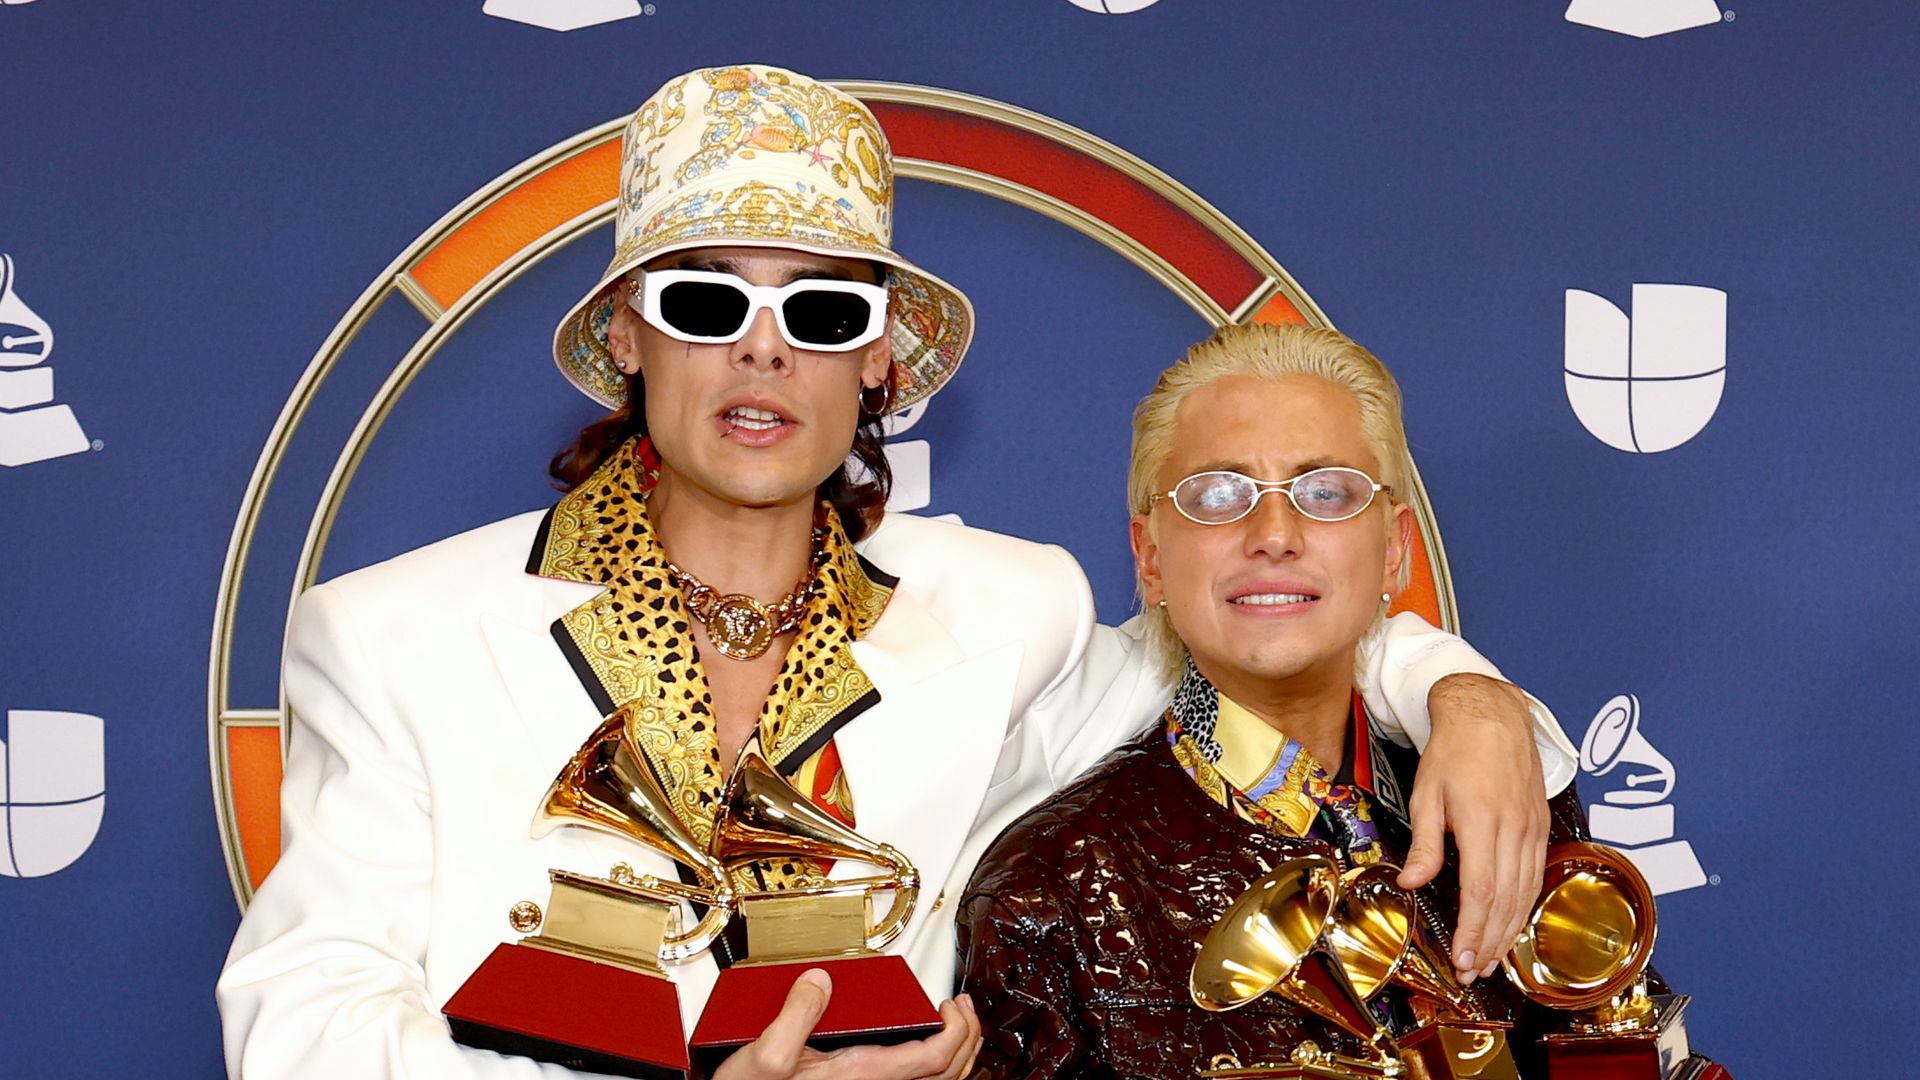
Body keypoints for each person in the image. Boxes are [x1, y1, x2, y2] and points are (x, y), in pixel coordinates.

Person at [216, 66, 1571, 1079]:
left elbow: (1240, 644)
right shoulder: (391, 635)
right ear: (630, 335)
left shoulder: (1007, 614)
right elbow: (300, 1028)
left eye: (817, 309)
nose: (762, 351)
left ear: (877, 362)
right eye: (705, 301)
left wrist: (1455, 686)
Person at [955, 323, 1719, 1079]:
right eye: (1219, 494)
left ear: (1394, 551)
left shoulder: (1506, 795)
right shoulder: (1049, 888)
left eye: (1326, 492)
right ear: (1150, 560)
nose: (1275, 533)